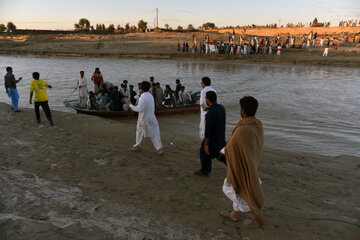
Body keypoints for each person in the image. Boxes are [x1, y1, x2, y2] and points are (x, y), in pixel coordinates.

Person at [220, 96, 265, 230]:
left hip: (243, 164)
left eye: (241, 109)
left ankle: (251, 209)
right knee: (247, 185)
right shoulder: (257, 124)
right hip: (252, 161)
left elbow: (230, 148)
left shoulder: (242, 129)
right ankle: (234, 213)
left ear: (243, 111)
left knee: (229, 188)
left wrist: (224, 150)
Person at [195, 91, 226, 176]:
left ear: (207, 99)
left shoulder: (209, 115)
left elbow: (208, 132)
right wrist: (209, 109)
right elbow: (215, 110)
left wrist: (206, 144)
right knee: (224, 157)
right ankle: (234, 168)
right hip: (221, 138)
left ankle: (205, 171)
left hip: (213, 141)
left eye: (205, 98)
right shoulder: (222, 108)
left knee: (204, 152)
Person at [129, 81, 163, 155]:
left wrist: (131, 106)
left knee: (139, 132)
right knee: (154, 133)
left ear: (141, 88)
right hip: (151, 117)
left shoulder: (142, 97)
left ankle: (137, 146)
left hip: (143, 119)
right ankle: (159, 148)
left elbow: (140, 109)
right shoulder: (150, 96)